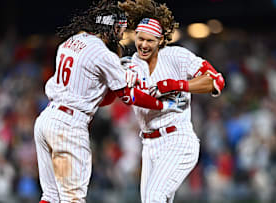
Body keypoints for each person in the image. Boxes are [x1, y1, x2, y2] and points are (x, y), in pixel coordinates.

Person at [33, 0, 186, 202]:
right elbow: (128, 96)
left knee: (50, 195)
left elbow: (100, 100)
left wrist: (114, 79)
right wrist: (163, 104)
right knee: (73, 198)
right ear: (109, 28)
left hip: (46, 120)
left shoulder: (69, 42)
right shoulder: (102, 54)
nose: (121, 34)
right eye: (119, 28)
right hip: (68, 126)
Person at [118, 0, 226, 202]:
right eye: (140, 39)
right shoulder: (133, 64)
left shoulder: (176, 56)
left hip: (178, 140)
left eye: (150, 40)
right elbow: (127, 95)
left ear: (160, 41)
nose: (143, 44)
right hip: (149, 144)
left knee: (154, 198)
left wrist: (178, 85)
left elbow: (216, 81)